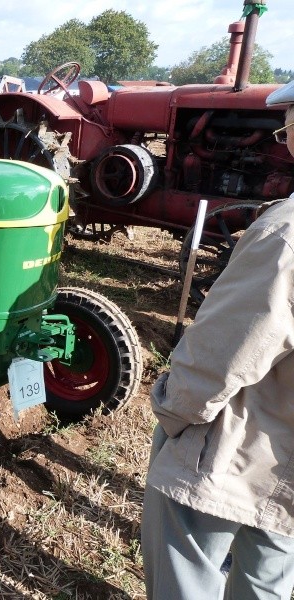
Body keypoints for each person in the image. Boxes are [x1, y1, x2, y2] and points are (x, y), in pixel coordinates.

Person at [140, 79, 294, 600]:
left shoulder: (286, 235)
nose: (284, 132)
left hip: (238, 444)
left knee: (186, 558)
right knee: (270, 569)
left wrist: (173, 408)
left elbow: (226, 352)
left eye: (290, 121)